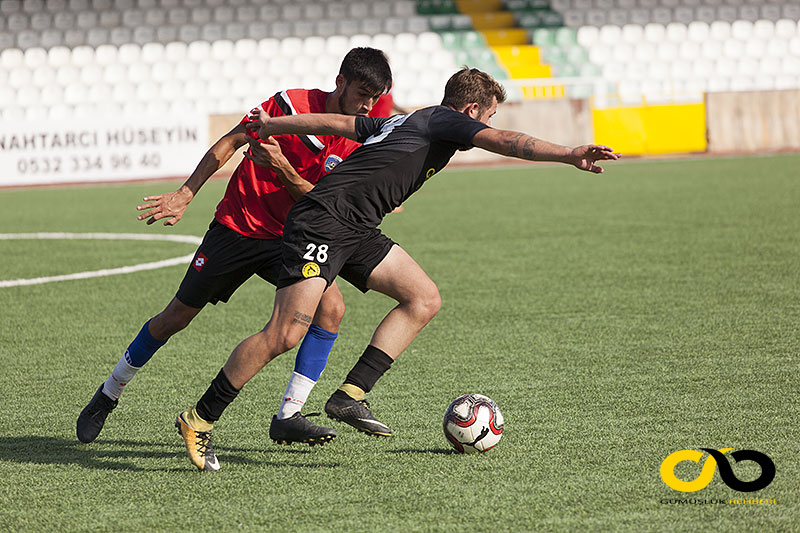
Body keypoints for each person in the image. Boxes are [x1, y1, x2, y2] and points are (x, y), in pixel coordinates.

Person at [176, 67, 619, 471]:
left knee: (423, 298)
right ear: (470, 111)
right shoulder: (446, 120)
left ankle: (350, 396)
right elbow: (504, 141)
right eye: (488, 115)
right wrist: (567, 154)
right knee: (284, 334)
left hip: (356, 227)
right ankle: (200, 419)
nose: (486, 124)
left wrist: (272, 124)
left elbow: (338, 124)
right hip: (324, 222)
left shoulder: (405, 120)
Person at [76, 48, 393, 451]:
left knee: (331, 309)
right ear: (340, 82)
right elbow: (232, 141)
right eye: (362, 93)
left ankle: (289, 415)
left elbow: (320, 201)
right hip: (237, 227)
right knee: (175, 317)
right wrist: (186, 192)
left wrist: (285, 169)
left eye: (375, 97)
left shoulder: (361, 136)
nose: (367, 105)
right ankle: (108, 394)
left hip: (290, 239)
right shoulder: (291, 106)